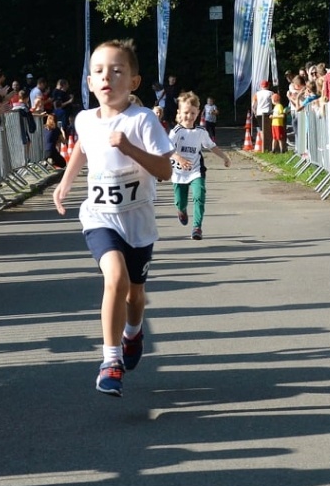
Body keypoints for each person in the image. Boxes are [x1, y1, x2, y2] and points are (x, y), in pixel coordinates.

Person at [52, 39, 173, 397]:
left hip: (137, 222)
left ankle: (133, 332)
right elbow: (82, 150)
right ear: (89, 82)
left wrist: (129, 147)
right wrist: (65, 183)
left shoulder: (143, 119)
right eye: (100, 71)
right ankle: (110, 360)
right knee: (115, 279)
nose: (108, 78)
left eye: (117, 71)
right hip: (99, 216)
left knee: (136, 295)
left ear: (133, 82)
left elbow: (164, 170)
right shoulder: (85, 119)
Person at [168, 91, 230, 241]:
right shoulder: (176, 131)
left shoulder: (201, 131)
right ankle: (181, 210)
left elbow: (211, 146)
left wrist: (224, 157)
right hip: (178, 171)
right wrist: (180, 158)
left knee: (199, 196)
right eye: (186, 113)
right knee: (180, 201)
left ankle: (197, 227)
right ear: (179, 113)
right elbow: (167, 149)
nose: (189, 116)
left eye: (193, 113)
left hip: (196, 170)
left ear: (198, 113)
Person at [253, 80, 274, 149]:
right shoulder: (271, 93)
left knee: (262, 129)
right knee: (269, 129)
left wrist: (255, 112)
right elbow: (274, 103)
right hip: (268, 113)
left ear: (261, 86)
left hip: (259, 113)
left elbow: (253, 105)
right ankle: (269, 144)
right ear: (268, 86)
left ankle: (263, 144)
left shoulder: (257, 94)